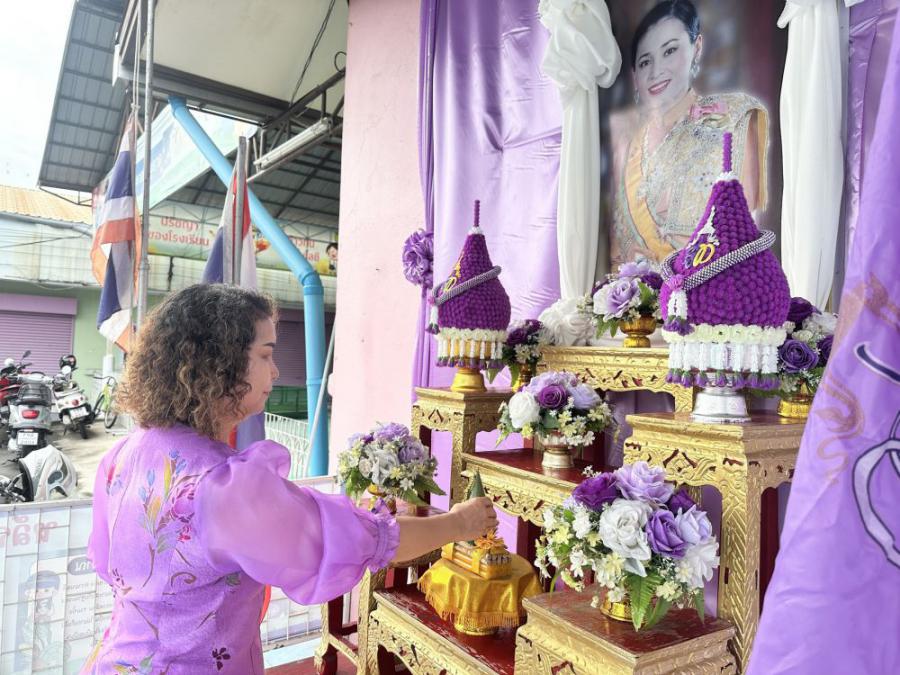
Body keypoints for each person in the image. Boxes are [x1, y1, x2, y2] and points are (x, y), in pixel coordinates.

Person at [82, 284, 496, 673]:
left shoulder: (121, 456)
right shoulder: (224, 487)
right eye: (265, 355)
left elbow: (107, 563)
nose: (276, 371)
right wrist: (460, 523)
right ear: (219, 363)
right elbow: (364, 539)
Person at [609, 0, 768, 268]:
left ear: (697, 47)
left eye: (670, 50)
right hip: (636, 292)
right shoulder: (625, 140)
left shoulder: (734, 119)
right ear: (635, 75)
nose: (656, 71)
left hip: (713, 287)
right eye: (645, 61)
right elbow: (618, 250)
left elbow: (744, 234)